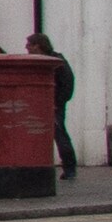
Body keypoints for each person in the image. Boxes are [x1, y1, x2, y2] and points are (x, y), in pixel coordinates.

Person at [27, 34, 77, 179]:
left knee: (60, 134)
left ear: (38, 45)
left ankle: (69, 167)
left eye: (29, 44)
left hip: (54, 104)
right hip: (38, 103)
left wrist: (58, 102)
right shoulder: (37, 61)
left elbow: (68, 83)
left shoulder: (57, 61)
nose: (26, 47)